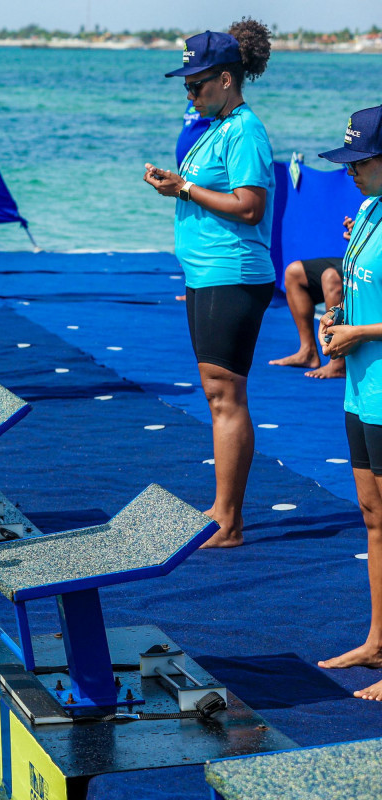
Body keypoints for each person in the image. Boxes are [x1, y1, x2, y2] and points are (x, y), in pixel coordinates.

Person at [142, 21, 274, 549]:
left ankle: (230, 520)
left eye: (196, 84)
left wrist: (188, 187)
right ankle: (222, 508)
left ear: (225, 79)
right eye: (185, 86)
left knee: (226, 395)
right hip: (207, 273)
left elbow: (250, 207)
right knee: (218, 392)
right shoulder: (216, 127)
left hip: (233, 273)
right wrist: (175, 187)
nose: (190, 93)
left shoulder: (244, 129)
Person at [313, 106, 382, 700]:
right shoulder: (366, 210)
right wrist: (340, 319)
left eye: (361, 161)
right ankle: (378, 638)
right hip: (361, 388)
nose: (351, 172)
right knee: (372, 515)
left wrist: (361, 333)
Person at [269, 235, 349, 379]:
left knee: (332, 277)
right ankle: (308, 352)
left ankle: (338, 362)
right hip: (361, 257)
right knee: (295, 272)